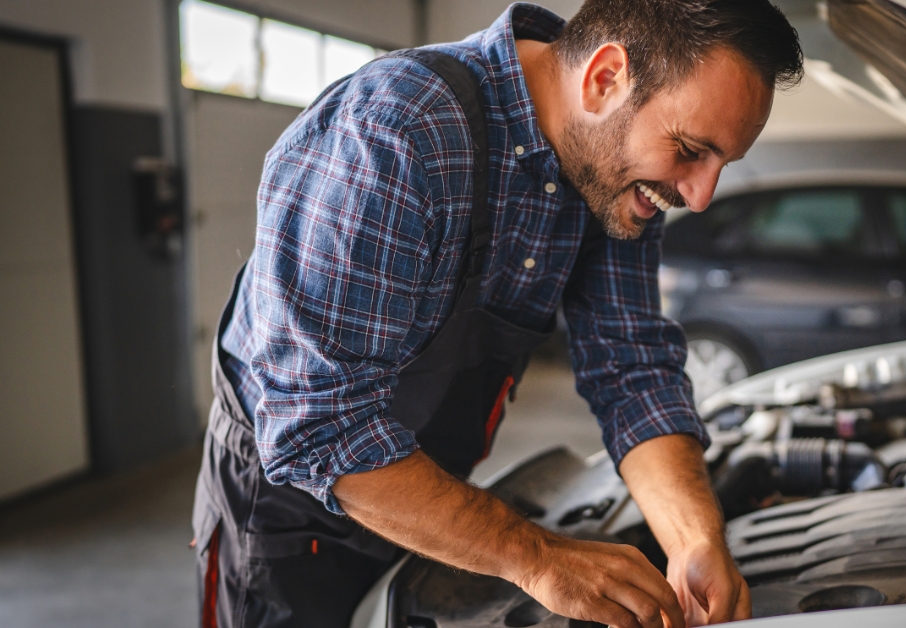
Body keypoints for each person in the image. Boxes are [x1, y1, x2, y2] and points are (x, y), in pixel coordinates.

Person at [191, 2, 803, 627]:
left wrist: (694, 538)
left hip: (431, 504)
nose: (700, 196)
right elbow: (320, 425)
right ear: (604, 80)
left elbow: (632, 369)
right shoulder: (397, 132)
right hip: (287, 523)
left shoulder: (618, 176)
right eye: (691, 150)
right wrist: (538, 558)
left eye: (722, 165)